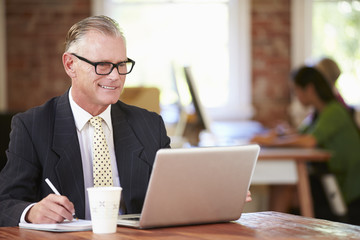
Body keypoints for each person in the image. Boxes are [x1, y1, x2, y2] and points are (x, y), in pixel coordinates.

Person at [0, 15, 172, 227]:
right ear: (70, 64)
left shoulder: (150, 125)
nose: (115, 77)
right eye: (103, 65)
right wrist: (31, 212)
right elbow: (5, 203)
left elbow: (175, 199)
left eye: (121, 65)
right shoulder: (32, 126)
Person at [251, 66, 360, 225]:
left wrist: (273, 142)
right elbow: (300, 134)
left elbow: (309, 140)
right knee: (283, 179)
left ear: (308, 89)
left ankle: (271, 229)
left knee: (286, 182)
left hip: (344, 185)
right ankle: (270, 229)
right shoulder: (319, 113)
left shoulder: (334, 111)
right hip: (330, 176)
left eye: (296, 91)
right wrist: (278, 135)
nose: (296, 96)